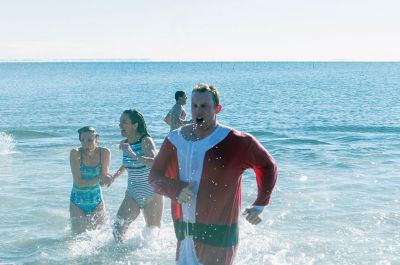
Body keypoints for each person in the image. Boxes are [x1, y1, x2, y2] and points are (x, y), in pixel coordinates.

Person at [149, 84, 278, 265]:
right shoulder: (175, 139)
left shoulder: (236, 141)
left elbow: (267, 166)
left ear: (217, 109)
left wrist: (260, 204)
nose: (198, 111)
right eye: (194, 106)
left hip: (219, 237)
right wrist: (174, 189)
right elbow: (154, 177)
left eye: (204, 106)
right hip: (184, 233)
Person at [111, 109, 164, 242]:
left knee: (151, 235)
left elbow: (156, 163)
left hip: (152, 193)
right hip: (132, 193)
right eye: (120, 122)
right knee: (117, 230)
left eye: (124, 122)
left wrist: (133, 154)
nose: (120, 125)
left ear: (135, 125)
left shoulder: (145, 140)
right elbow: (128, 163)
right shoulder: (125, 143)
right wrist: (114, 176)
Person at [69, 126, 112, 234]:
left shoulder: (105, 153)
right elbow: (79, 183)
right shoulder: (75, 153)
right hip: (77, 202)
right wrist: (100, 178)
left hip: (96, 201)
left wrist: (107, 180)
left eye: (89, 140)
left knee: (100, 237)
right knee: (78, 238)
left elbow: (102, 183)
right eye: (82, 140)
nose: (85, 144)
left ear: (97, 139)